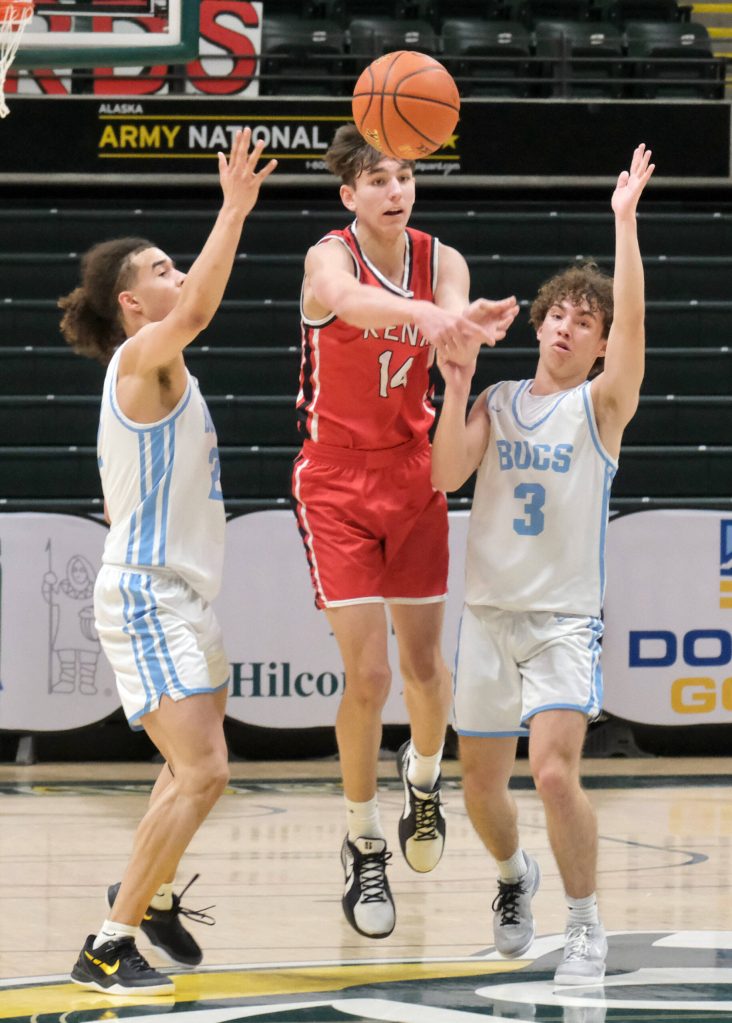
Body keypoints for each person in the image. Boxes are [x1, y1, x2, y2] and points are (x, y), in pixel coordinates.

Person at [58, 128, 276, 996]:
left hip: (182, 595)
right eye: (159, 267)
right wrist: (233, 208)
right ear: (130, 301)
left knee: (185, 768)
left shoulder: (161, 375)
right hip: (149, 595)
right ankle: (105, 945)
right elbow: (196, 312)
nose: (175, 272)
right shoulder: (141, 354)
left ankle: (139, 901)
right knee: (207, 771)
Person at [431, 144, 655, 983]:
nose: (568, 324)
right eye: (559, 312)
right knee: (482, 790)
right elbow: (445, 474)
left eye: (585, 321)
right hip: (487, 618)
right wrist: (456, 383)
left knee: (555, 771)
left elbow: (635, 327)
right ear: (539, 322)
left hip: (564, 619)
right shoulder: (495, 402)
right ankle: (510, 876)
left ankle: (588, 921)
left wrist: (623, 223)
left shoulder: (602, 407)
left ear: (599, 346)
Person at [291, 123, 519, 939]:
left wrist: (470, 326)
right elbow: (352, 305)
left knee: (427, 668)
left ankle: (423, 780)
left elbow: (449, 323)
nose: (397, 191)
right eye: (379, 180)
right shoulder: (329, 261)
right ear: (348, 194)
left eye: (406, 177)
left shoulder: (442, 259)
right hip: (335, 479)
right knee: (369, 674)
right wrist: (429, 316)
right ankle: (362, 841)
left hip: (415, 473)